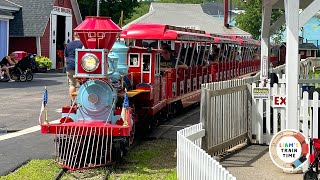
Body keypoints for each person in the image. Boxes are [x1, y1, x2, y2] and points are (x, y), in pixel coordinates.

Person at [64, 33, 83, 102]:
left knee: (72, 84)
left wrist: (67, 65)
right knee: (84, 84)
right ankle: (82, 100)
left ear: (74, 36)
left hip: (70, 65)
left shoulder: (68, 44)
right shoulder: (83, 44)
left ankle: (73, 101)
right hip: (80, 66)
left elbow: (65, 57)